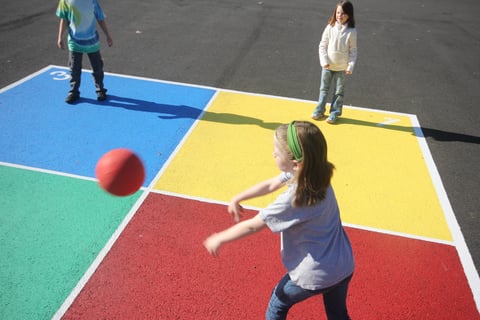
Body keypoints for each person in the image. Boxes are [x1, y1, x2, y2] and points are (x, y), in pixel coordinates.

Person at [204, 121, 354, 320]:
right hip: (343, 264)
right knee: (338, 314)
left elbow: (253, 225)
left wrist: (219, 238)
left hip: (315, 273)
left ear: (295, 162)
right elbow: (272, 183)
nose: (273, 154)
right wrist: (238, 197)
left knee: (278, 303)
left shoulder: (296, 198)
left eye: (277, 151)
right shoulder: (318, 175)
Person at [56, 0, 113, 104]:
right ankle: (74, 92)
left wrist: (108, 35)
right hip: (74, 41)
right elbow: (63, 18)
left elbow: (100, 18)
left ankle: (100, 89)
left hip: (92, 42)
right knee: (74, 69)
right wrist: (60, 37)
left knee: (97, 67)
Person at [311, 1, 357, 124]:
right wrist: (324, 61)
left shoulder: (352, 31)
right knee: (323, 89)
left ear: (349, 15)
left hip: (341, 68)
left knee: (338, 92)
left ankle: (334, 113)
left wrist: (350, 66)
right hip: (327, 66)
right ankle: (319, 110)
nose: (339, 16)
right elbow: (322, 45)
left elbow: (353, 51)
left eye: (343, 14)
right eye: (338, 13)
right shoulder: (330, 27)